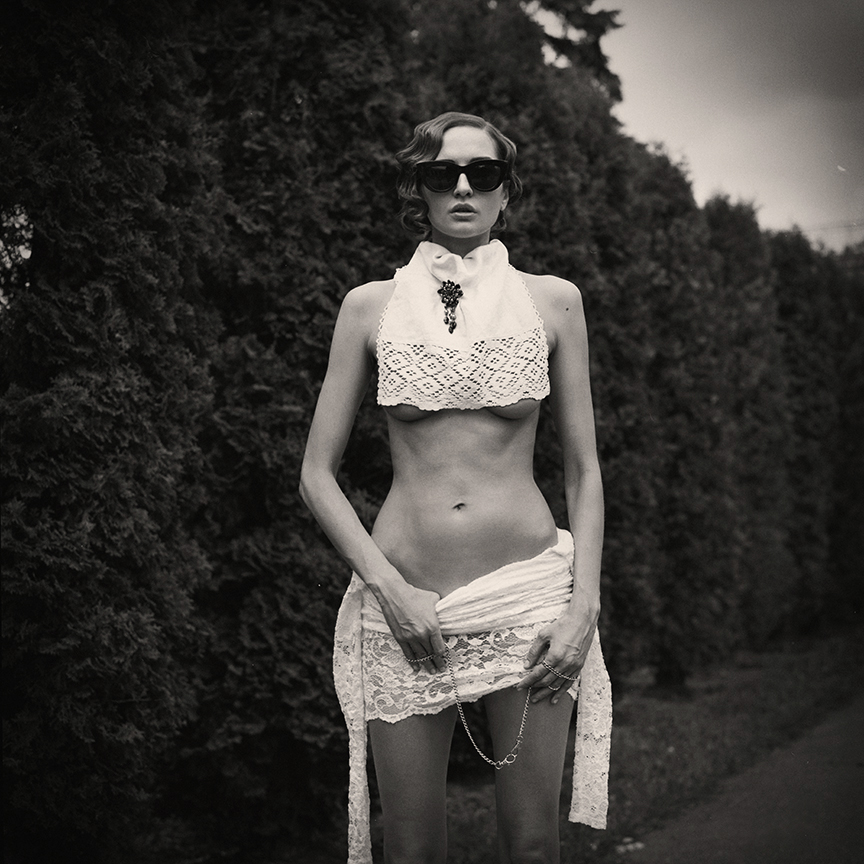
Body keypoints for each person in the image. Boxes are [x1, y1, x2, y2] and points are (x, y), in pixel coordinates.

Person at [300, 112, 611, 864]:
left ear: (507, 190)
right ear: (420, 189)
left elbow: (584, 468)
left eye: (483, 173)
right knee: (410, 850)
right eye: (443, 174)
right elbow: (314, 473)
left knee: (532, 845)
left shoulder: (556, 301)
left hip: (529, 600)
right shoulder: (368, 307)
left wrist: (583, 606)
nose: (463, 187)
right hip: (407, 602)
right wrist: (387, 590)